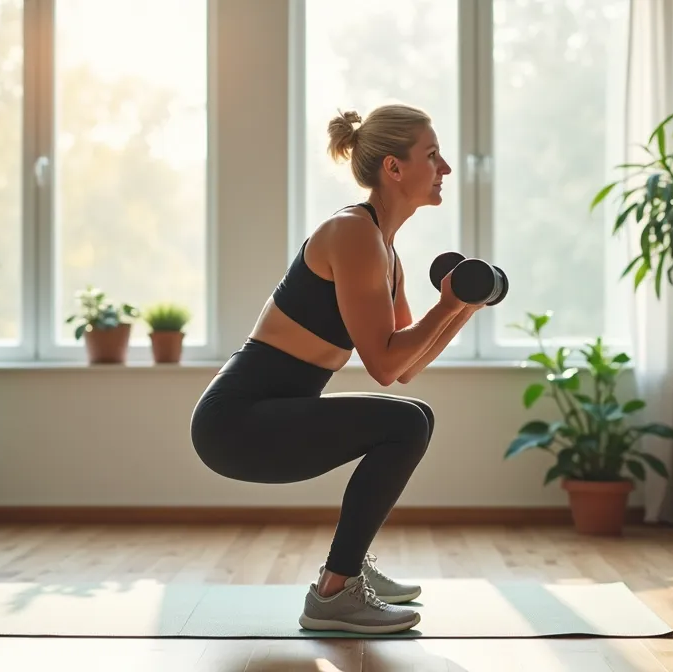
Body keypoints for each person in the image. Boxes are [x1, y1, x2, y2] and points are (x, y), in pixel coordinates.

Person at [189, 103, 480, 635]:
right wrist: (450, 303)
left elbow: (408, 366)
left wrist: (462, 306)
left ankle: (347, 567)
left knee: (416, 414)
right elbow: (385, 366)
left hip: (269, 412)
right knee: (407, 422)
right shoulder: (352, 234)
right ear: (394, 168)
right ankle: (334, 592)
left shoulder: (386, 251)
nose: (446, 168)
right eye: (432, 155)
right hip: (235, 422)